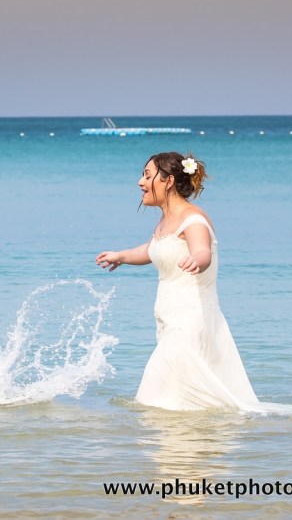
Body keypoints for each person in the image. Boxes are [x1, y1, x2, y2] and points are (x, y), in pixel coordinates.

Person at [96, 151, 260, 411]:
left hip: (190, 321)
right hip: (170, 320)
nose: (140, 182)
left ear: (168, 181)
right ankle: (189, 448)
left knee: (155, 396)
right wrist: (122, 256)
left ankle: (170, 447)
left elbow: (202, 248)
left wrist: (198, 259)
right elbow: (153, 250)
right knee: (180, 402)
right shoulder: (166, 221)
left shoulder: (193, 218)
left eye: (147, 176)